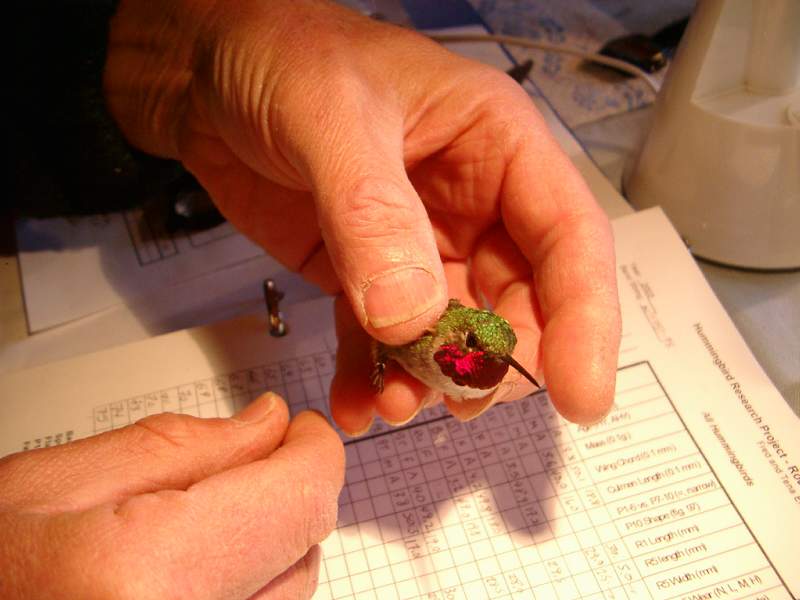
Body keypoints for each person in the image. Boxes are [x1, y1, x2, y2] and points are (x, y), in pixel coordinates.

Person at [0, 0, 621, 597]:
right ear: (455, 339)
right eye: (478, 350)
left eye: (498, 358)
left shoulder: (480, 359)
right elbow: (387, 329)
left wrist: (190, 56)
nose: (494, 365)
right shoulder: (432, 331)